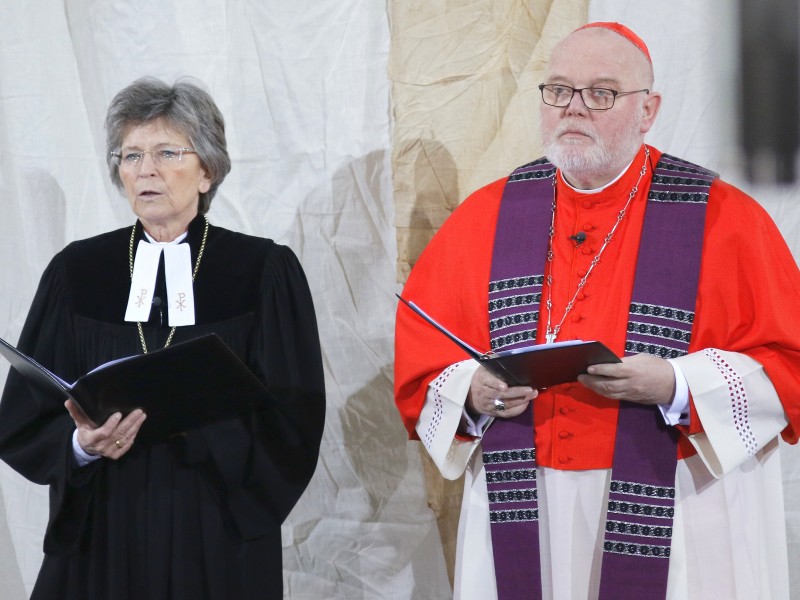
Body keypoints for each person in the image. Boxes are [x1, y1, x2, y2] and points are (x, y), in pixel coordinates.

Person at [394, 22, 800, 600]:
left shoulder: (722, 217)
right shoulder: (488, 215)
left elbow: (788, 365)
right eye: (558, 90)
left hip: (677, 498)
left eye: (601, 93)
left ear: (648, 109)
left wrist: (677, 384)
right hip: (525, 494)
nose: (574, 109)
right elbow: (424, 359)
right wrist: (476, 391)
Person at [0, 77, 325, 600]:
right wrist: (80, 446)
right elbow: (23, 414)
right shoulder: (78, 272)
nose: (145, 170)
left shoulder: (261, 270)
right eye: (130, 156)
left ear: (207, 171)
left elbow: (295, 416)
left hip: (214, 526)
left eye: (166, 152)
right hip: (103, 525)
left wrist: (201, 432)